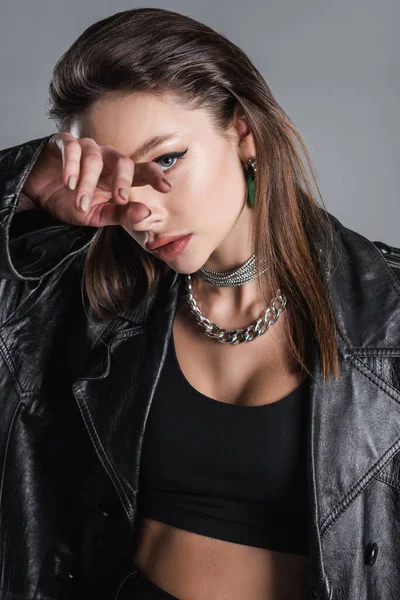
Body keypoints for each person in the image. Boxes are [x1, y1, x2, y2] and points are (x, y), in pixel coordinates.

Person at [1, 7, 399, 600]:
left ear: (243, 132)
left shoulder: (388, 314)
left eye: (166, 160)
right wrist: (25, 187)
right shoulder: (77, 295)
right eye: (116, 178)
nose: (141, 210)